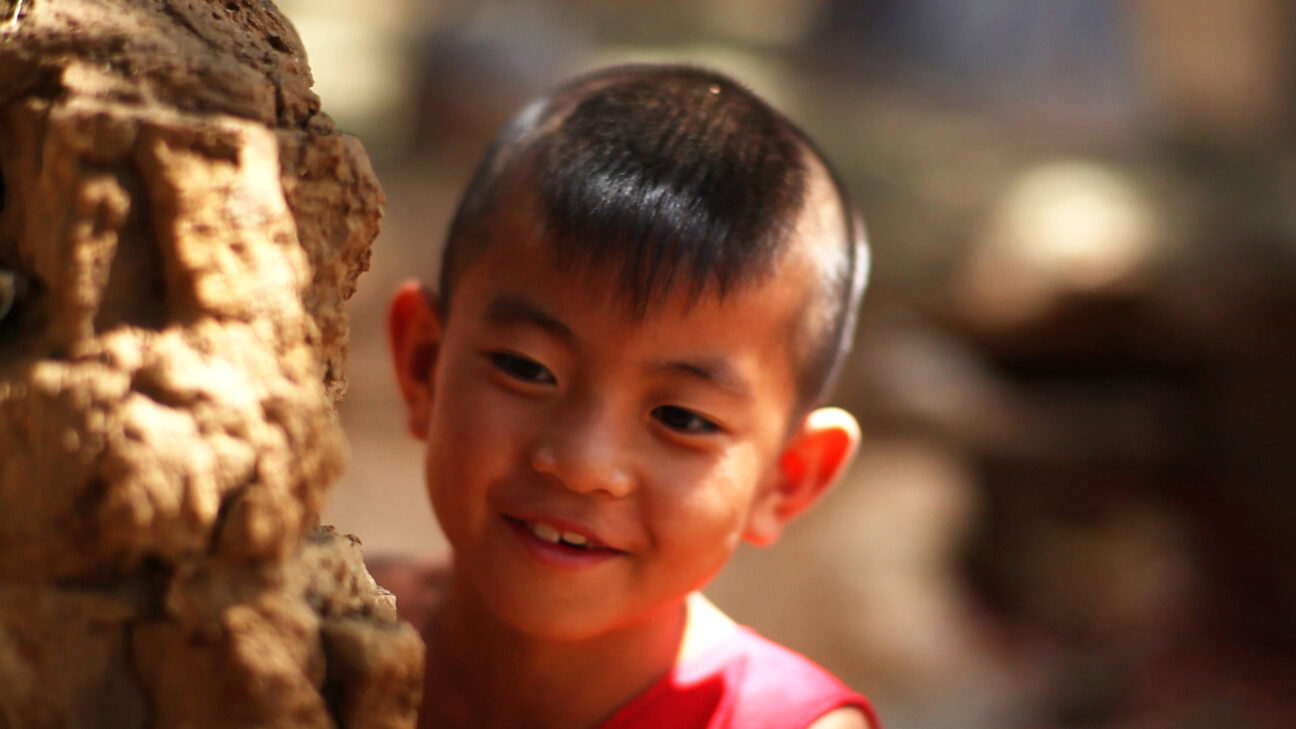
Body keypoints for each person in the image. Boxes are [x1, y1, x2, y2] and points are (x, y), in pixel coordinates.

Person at [378, 63, 877, 729]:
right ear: (425, 365)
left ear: (787, 478)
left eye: (682, 418)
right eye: (526, 369)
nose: (582, 463)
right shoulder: (303, 628)